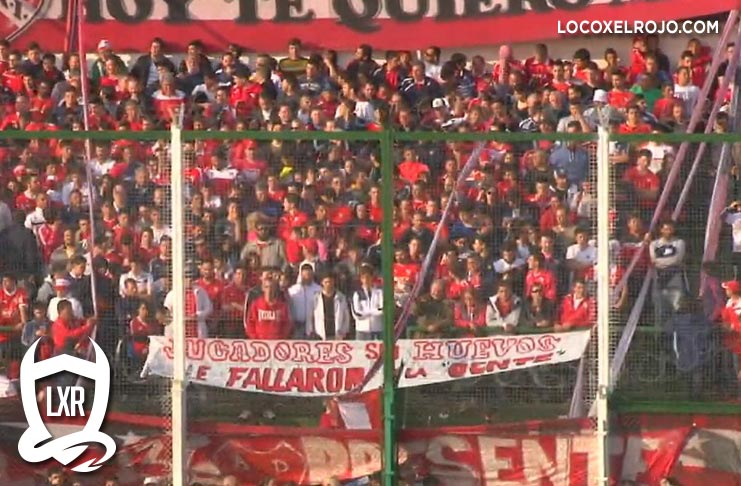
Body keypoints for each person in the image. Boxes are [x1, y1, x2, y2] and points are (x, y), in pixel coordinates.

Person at [307, 272, 350, 340]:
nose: (328, 284)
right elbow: (310, 316)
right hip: (320, 334)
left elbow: (346, 316)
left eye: (330, 282)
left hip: (337, 333)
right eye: (326, 282)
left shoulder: (341, 297)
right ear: (322, 283)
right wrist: (311, 331)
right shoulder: (316, 298)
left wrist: (344, 331)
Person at [288, 263, 321, 338]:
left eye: (309, 274)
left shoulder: (318, 290)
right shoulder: (293, 290)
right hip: (297, 325)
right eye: (305, 275)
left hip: (312, 325)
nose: (307, 277)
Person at [351, 265, 384, 340]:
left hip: (377, 328)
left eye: (368, 277)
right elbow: (357, 314)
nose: (366, 280)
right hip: (362, 330)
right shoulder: (357, 294)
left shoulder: (379, 292)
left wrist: (366, 312)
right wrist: (374, 311)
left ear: (372, 277)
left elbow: (382, 310)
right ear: (360, 279)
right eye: (363, 278)